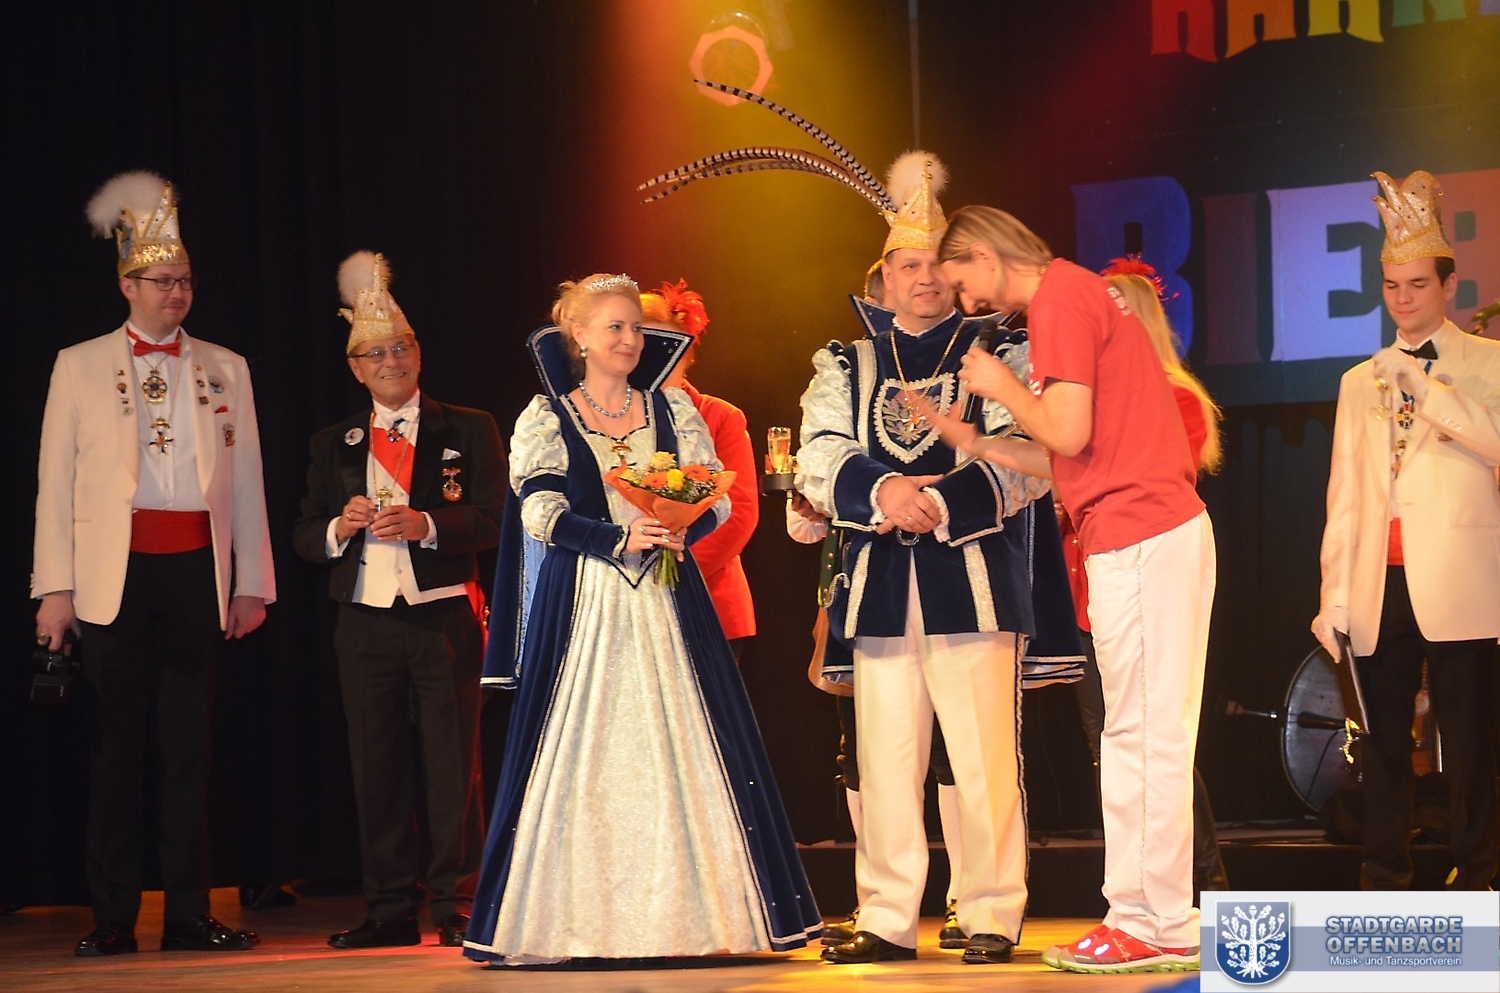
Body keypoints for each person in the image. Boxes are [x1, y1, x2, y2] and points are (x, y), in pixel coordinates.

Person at [463, 274, 821, 964]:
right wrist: (614, 537)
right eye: (615, 327)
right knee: (586, 746)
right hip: (586, 601)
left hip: (667, 596)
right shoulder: (548, 415)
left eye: (636, 328)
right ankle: (577, 923)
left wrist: (685, 522)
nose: (630, 339)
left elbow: (717, 496)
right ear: (580, 336)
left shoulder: (672, 409)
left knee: (688, 740)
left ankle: (697, 919)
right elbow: (539, 511)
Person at [930, 205, 1214, 974]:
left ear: (985, 254)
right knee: (1146, 731)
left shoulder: (1057, 297)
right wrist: (976, 440)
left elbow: (1067, 432)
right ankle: (1159, 917)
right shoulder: (1081, 293)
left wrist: (999, 384)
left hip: (1141, 534)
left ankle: (1147, 920)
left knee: (1139, 734)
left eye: (963, 282)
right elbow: (1072, 457)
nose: (968, 303)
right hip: (1148, 530)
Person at [798, 155, 1048, 968]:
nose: (926, 279)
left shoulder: (999, 347)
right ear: (885, 278)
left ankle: (990, 909)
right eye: (908, 266)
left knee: (982, 756)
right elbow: (818, 451)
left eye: (938, 264)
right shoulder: (846, 362)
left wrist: (939, 502)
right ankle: (887, 914)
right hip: (878, 587)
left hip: (972, 580)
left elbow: (1027, 450)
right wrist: (885, 491)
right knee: (886, 759)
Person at [33, 172, 274, 956]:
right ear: (127, 285)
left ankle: (187, 915)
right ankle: (111, 917)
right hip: (114, 576)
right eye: (163, 281)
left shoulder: (226, 365)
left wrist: (250, 582)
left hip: (194, 571)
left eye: (185, 280)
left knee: (187, 755)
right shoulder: (78, 363)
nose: (177, 293)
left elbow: (246, 482)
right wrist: (55, 588)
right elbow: (54, 484)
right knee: (115, 753)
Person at [292, 252, 506, 949]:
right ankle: (388, 907)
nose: (391, 361)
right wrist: (339, 526)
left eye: (401, 348)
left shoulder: (467, 427)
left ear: (418, 353)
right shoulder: (334, 442)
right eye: (375, 353)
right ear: (356, 368)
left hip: (443, 612)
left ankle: (457, 902)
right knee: (375, 765)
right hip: (363, 619)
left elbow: (497, 518)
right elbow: (304, 533)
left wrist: (428, 525)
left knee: (454, 765)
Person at [1311, 170, 1500, 891]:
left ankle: (1480, 879)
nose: (1403, 298)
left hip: (1460, 581)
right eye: (1392, 286)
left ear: (1448, 286)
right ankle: (1385, 878)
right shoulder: (1358, 379)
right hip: (1377, 582)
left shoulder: (1487, 363)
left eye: (1418, 285)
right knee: (1383, 742)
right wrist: (1333, 594)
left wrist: (1429, 389)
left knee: (1472, 744)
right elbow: (1344, 496)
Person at [640, 279, 759, 659]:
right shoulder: (612, 420)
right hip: (628, 608)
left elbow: (737, 513)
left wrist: (664, 575)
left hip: (707, 601)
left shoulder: (718, 416)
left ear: (685, 351)